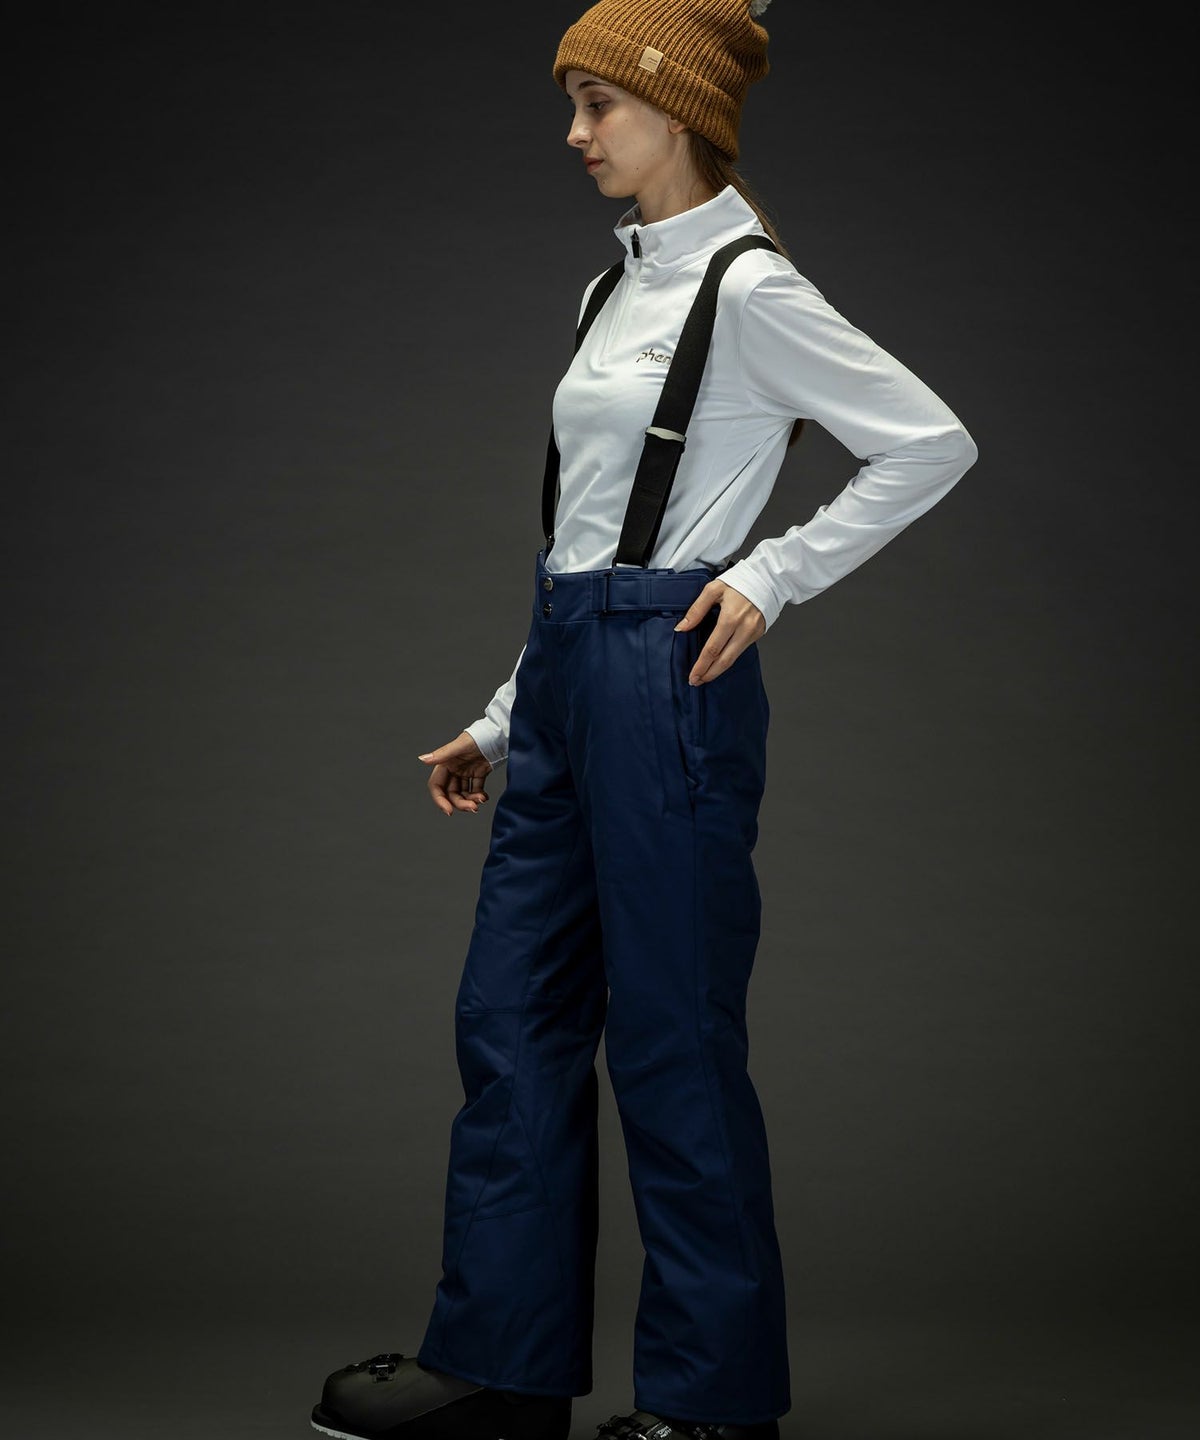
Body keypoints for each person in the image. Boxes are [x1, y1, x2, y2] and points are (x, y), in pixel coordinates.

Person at [310, 2, 978, 1439]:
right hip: (569, 673)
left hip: (668, 684)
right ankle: (499, 1372)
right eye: (573, 103)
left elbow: (931, 441)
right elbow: (584, 543)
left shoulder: (750, 289)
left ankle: (712, 1402)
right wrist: (504, 719)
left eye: (596, 104)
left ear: (678, 109)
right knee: (511, 1019)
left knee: (671, 1035)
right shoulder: (605, 292)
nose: (575, 133)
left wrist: (773, 575)